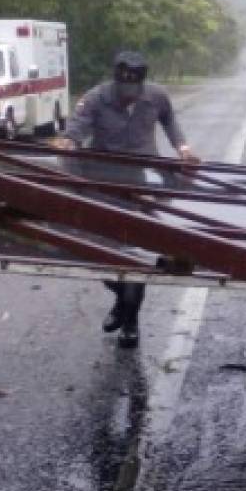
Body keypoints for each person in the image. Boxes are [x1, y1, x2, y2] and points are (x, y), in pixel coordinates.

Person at [56, 50, 198, 347]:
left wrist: (182, 147)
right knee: (99, 251)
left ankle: (131, 322)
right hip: (102, 181)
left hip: (142, 180)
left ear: (142, 85)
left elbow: (170, 120)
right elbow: (78, 126)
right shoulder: (96, 97)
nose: (129, 97)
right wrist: (69, 142)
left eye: (134, 91)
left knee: (139, 251)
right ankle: (123, 299)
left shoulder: (156, 96)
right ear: (116, 80)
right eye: (124, 90)